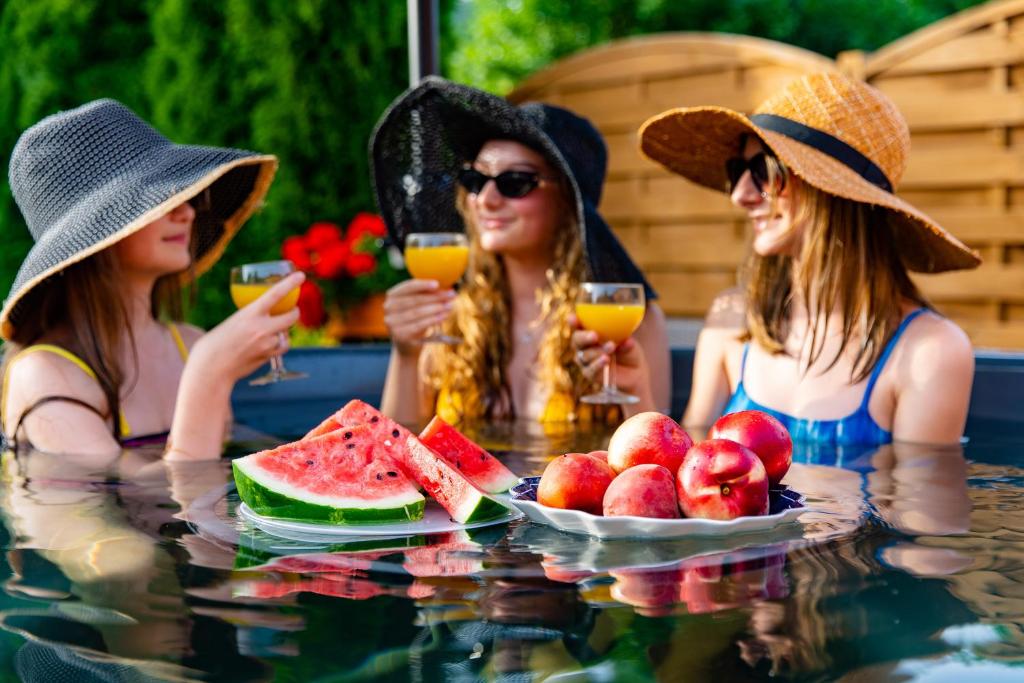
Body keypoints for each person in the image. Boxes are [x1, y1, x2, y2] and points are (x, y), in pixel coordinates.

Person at [636, 72, 980, 445]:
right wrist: (634, 395)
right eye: (737, 172)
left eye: (763, 172)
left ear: (833, 194)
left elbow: (919, 502)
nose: (740, 195)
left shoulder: (930, 352)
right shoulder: (732, 320)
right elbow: (687, 472)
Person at [1, 99, 302, 459]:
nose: (187, 212)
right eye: (158, 199)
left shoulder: (190, 344)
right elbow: (107, 511)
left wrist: (392, 347)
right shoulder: (47, 373)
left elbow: (221, 482)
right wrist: (209, 376)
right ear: (98, 233)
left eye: (185, 195)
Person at [370, 77, 669, 426]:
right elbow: (397, 448)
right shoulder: (448, 315)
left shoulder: (632, 321)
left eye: (515, 183)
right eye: (474, 181)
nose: (486, 200)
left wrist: (636, 392)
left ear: (567, 203)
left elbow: (653, 462)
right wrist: (406, 354)